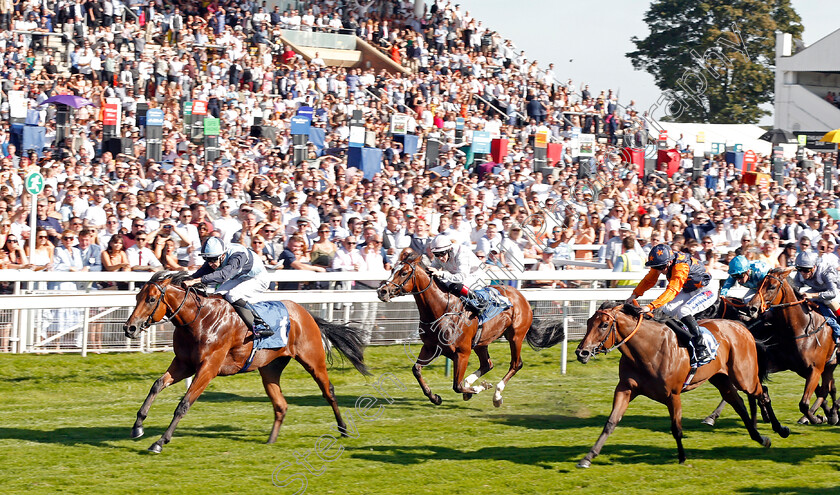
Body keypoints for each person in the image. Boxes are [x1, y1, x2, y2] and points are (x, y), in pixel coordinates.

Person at [625, 243, 715, 366]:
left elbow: (672, 291)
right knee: (666, 309)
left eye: (661, 267)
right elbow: (649, 280)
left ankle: (701, 346)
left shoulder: (681, 267)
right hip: (689, 289)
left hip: (706, 290)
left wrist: (650, 306)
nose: (659, 271)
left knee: (684, 311)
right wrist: (634, 295)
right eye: (656, 267)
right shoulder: (663, 263)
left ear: (669, 262)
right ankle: (682, 339)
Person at [183, 237, 273, 338]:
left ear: (222, 255)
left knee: (233, 295)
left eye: (213, 259)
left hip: (258, 278)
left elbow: (224, 275)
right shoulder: (216, 256)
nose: (210, 263)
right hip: (240, 277)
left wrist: (196, 281)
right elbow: (201, 272)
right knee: (217, 297)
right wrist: (187, 279)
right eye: (206, 259)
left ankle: (261, 325)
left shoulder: (238, 255)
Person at [427, 234, 487, 317]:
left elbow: (461, 277)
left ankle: (479, 302)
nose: (440, 258)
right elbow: (431, 269)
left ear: (449, 249)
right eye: (436, 255)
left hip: (476, 275)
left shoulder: (461, 252)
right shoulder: (440, 256)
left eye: (442, 254)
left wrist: (441, 273)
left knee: (455, 286)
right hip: (458, 275)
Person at [790, 251, 840, 344]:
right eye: (799, 269)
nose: (802, 273)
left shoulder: (826, 272)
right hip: (818, 290)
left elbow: (833, 293)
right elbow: (795, 289)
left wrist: (813, 295)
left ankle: (838, 329)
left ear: (814, 267)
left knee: (829, 301)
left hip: (835, 291)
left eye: (806, 270)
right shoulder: (800, 273)